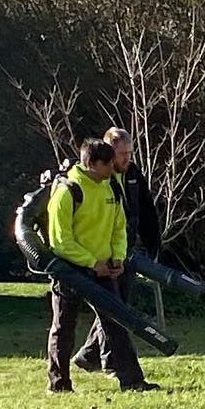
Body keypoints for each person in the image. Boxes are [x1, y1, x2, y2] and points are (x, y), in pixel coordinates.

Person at [46, 138, 158, 393]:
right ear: (92, 164)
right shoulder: (68, 191)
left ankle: (132, 381)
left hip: (105, 269)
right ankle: (58, 384)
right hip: (69, 270)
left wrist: (117, 257)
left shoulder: (111, 187)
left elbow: (119, 227)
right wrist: (90, 262)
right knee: (63, 327)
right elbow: (60, 241)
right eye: (107, 164)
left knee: (116, 323)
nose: (113, 168)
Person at [74, 127, 161, 373]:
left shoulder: (133, 173)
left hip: (124, 250)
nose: (127, 158)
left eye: (130, 153)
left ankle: (89, 355)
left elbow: (146, 210)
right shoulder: (98, 178)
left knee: (117, 304)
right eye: (122, 154)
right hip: (99, 253)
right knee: (114, 307)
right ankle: (110, 362)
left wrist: (153, 245)